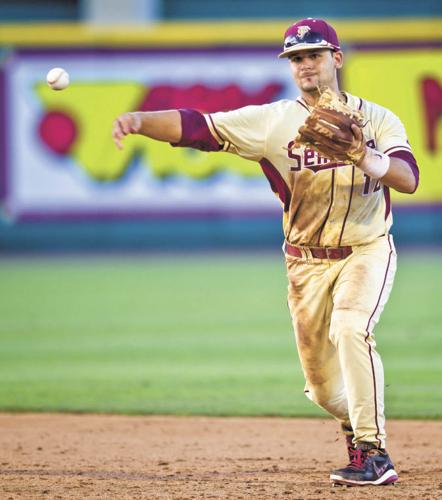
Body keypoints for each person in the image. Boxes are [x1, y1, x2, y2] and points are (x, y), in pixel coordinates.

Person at [112, 18, 419, 487]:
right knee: (322, 389)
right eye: (296, 58)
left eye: (313, 54)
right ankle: (358, 417)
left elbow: (408, 178)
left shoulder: (377, 119)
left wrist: (364, 156)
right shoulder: (273, 122)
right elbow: (198, 127)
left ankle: (372, 453)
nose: (305, 65)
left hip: (366, 249)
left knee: (352, 327)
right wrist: (138, 121)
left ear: (336, 58)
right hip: (304, 264)